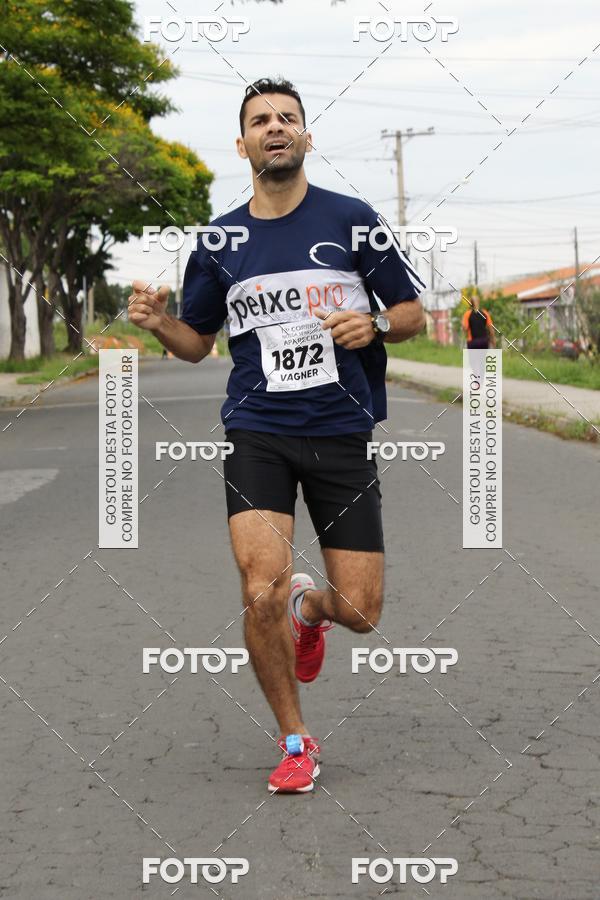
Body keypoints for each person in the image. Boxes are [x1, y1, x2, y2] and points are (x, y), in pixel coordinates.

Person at [128, 77, 426, 794]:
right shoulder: (219, 241)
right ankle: (294, 739)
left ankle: (310, 608)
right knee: (258, 586)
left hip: (340, 429)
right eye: (260, 120)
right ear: (243, 145)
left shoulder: (353, 220)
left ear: (305, 137)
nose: (275, 127)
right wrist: (158, 321)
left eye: (288, 117)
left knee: (360, 610)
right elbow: (197, 343)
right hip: (257, 429)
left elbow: (411, 312)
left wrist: (375, 323)